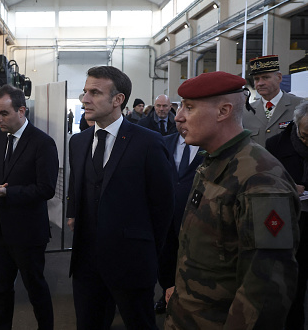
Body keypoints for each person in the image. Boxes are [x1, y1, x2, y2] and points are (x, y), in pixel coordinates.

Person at [164, 71, 300, 329]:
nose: (178, 116)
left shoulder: (260, 179)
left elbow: (266, 289)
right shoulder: (215, 161)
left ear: (223, 111)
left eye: (189, 107)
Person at [66, 66, 174, 330]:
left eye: (94, 92)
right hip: (86, 266)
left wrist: (146, 254)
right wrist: (74, 213)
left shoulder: (148, 143)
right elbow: (77, 184)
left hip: (132, 265)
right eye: (84, 92)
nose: (85, 99)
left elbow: (163, 208)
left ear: (118, 100)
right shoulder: (78, 142)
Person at [0, 84, 59, 330]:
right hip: (1, 232)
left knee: (36, 289)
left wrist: (7, 192)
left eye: (4, 113)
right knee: (0, 292)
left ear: (21, 111)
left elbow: (46, 189)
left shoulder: (42, 143)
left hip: (28, 233)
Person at [266, 101, 308, 330]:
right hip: (289, 229)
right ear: (295, 126)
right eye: (305, 135)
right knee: (292, 290)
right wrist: (288, 186)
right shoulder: (275, 146)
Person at [154, 121, 203, 315]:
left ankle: (189, 298)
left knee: (192, 256)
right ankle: (166, 294)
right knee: (166, 258)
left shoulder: (209, 146)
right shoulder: (163, 142)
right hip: (165, 215)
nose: (182, 119)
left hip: (196, 215)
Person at [243, 54, 305, 146]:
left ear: (279, 77)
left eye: (266, 77)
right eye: (256, 79)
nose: (260, 83)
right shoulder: (246, 111)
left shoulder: (300, 106)